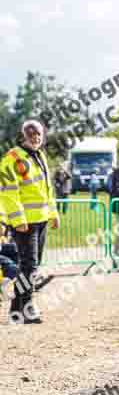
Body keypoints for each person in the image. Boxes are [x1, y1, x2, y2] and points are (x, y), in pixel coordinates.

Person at [0, 120, 59, 324]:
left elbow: (47, 189)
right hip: (25, 223)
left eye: (38, 134)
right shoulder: (12, 158)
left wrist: (53, 213)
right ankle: (28, 307)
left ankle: (16, 311)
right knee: (30, 266)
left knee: (30, 265)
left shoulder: (40, 155)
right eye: (31, 134)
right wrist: (18, 220)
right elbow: (9, 192)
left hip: (41, 219)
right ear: (23, 136)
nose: (36, 138)